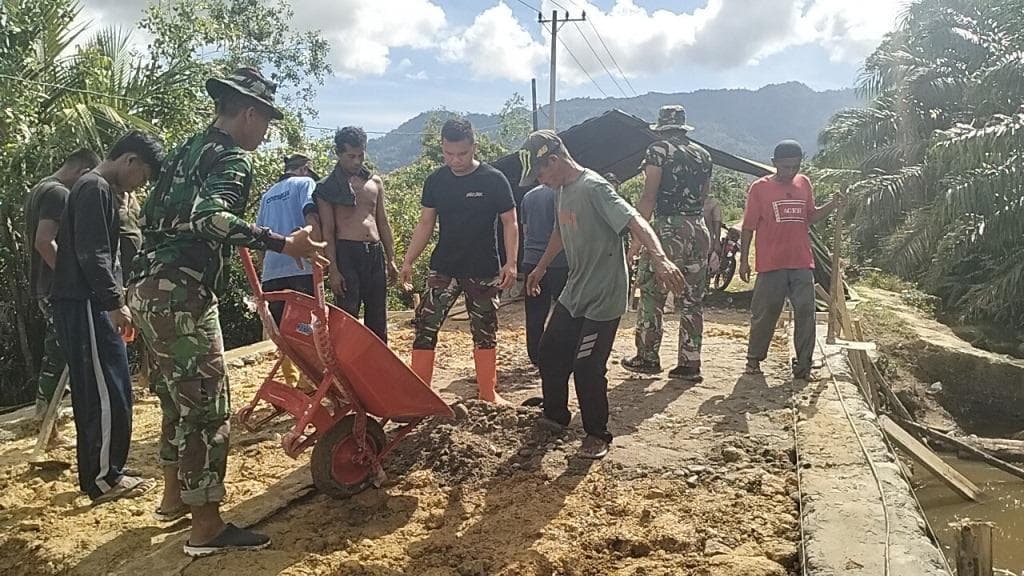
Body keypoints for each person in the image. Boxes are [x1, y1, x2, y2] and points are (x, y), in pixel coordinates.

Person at [127, 68, 326, 557]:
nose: (265, 134)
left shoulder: (183, 151)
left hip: (147, 288)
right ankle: (207, 527)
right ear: (250, 114)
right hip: (183, 293)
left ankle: (174, 498)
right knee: (209, 407)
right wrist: (284, 243)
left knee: (176, 398)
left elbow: (153, 214)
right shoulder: (233, 159)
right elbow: (210, 217)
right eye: (265, 123)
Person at [521, 130, 686, 460]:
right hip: (577, 287)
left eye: (539, 172)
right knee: (550, 351)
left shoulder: (593, 187)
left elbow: (636, 220)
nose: (540, 180)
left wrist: (661, 257)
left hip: (604, 294)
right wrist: (540, 267)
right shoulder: (561, 190)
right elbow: (559, 230)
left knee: (586, 365)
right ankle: (555, 416)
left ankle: (597, 434)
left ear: (554, 160)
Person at [49, 131, 164, 504]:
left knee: (110, 389)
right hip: (87, 303)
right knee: (104, 393)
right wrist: (114, 302)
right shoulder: (94, 188)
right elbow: (93, 253)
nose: (139, 185)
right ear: (130, 161)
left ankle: (106, 471)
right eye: (142, 177)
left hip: (90, 302)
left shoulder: (93, 188)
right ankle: (103, 480)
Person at [400, 118, 518, 403]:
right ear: (442, 148)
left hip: (483, 269)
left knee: (485, 331)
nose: (456, 160)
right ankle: (419, 395)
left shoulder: (493, 179)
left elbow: (510, 222)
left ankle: (488, 394)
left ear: (474, 147)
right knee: (425, 327)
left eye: (462, 154)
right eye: (449, 154)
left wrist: (511, 262)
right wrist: (408, 260)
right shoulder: (436, 180)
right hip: (444, 268)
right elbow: (425, 223)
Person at [624, 105, 714, 382]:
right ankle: (690, 362)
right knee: (692, 300)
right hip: (698, 228)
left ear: (661, 128)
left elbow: (649, 197)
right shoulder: (704, 154)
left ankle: (647, 357)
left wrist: (637, 241)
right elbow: (706, 196)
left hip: (667, 229)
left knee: (652, 293)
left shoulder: (658, 151)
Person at [739, 140, 841, 381]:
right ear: (774, 164)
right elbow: (748, 226)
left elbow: (810, 216)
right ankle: (754, 358)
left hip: (801, 262)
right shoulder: (759, 188)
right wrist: (743, 260)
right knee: (766, 312)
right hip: (771, 262)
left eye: (795, 167)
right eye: (785, 167)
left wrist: (833, 205)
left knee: (806, 312)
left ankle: (804, 363)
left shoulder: (803, 183)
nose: (790, 172)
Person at [24, 148, 100, 432]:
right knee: (60, 354)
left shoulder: (39, 189)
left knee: (60, 352)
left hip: (46, 284)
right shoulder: (58, 194)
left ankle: (49, 421)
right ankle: (47, 426)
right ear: (82, 172)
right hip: (57, 287)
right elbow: (44, 242)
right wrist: (73, 277)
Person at [316, 127, 398, 343]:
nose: (356, 161)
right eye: (351, 156)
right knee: (347, 312)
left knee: (378, 313)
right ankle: (345, 368)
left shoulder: (374, 182)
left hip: (374, 251)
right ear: (339, 153)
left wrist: (391, 259)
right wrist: (332, 269)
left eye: (360, 155)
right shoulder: (327, 187)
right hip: (346, 251)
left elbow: (382, 221)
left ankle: (377, 365)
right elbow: (328, 229)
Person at [255, 152, 322, 387]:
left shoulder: (267, 196)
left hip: (272, 273)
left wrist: (265, 267)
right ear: (304, 169)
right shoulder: (306, 183)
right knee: (307, 326)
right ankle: (309, 380)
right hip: (301, 268)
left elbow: (259, 239)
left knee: (284, 331)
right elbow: (311, 216)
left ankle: (291, 379)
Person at [520, 184, 567, 367]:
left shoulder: (528, 196)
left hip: (531, 258)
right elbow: (563, 229)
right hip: (559, 260)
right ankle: (559, 351)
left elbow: (525, 230)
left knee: (534, 310)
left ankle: (536, 355)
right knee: (563, 309)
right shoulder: (561, 193)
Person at [703, 195, 723, 276]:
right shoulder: (713, 203)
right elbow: (717, 222)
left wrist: (717, 241)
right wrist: (717, 241)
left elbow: (717, 222)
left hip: (705, 242)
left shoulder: (712, 203)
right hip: (706, 241)